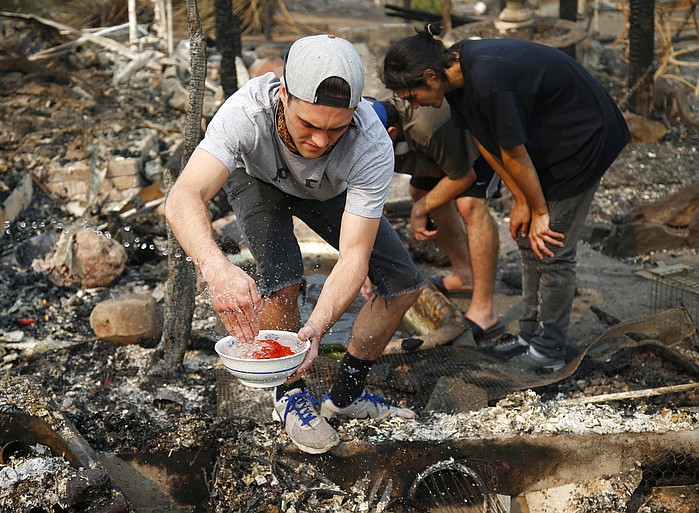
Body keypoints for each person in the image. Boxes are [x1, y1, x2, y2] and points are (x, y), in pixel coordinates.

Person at [165, 34, 424, 454]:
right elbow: (184, 197)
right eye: (310, 125)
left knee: (403, 285)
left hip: (330, 190)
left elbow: (354, 255)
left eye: (335, 129)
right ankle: (289, 395)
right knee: (283, 280)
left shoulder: (371, 143)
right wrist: (215, 268)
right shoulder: (246, 113)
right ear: (283, 95)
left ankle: (347, 397)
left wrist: (318, 326)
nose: (320, 141)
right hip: (260, 180)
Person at [382, 26, 631, 372]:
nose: (413, 105)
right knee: (527, 238)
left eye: (412, 97)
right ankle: (529, 334)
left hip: (583, 138)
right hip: (543, 140)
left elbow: (512, 152)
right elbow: (486, 140)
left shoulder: (487, 78)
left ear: (429, 76)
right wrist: (521, 200)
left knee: (553, 248)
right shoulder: (453, 75)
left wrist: (540, 209)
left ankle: (549, 349)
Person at [364, 96, 504, 343]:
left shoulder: (426, 127)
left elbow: (463, 176)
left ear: (390, 133)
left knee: (469, 204)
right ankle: (464, 277)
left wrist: (419, 210)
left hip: (477, 138)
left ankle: (485, 311)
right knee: (421, 192)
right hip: (438, 147)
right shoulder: (369, 131)